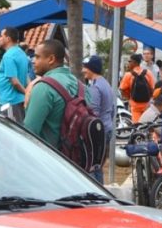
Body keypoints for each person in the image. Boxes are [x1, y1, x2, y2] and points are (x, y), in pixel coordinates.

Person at [25, 39, 90, 149]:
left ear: (51, 59)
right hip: (76, 160)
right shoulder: (82, 87)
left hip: (49, 158)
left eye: (37, 57)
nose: (33, 61)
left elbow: (29, 131)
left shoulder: (43, 87)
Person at [83, 54, 114, 182]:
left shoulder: (95, 87)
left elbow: (93, 114)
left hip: (98, 131)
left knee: (94, 166)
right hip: (107, 128)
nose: (83, 70)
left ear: (91, 68)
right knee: (99, 164)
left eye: (85, 67)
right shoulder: (105, 83)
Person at [0, 27, 29, 121]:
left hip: (9, 100)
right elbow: (26, 76)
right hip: (19, 100)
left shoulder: (8, 56)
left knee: (11, 129)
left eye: (1, 36)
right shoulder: (21, 53)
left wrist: (27, 93)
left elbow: (14, 81)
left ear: (8, 38)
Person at [119, 52, 155, 123]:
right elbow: (152, 88)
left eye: (130, 61)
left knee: (137, 126)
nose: (128, 63)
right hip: (146, 105)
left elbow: (122, 89)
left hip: (135, 105)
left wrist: (129, 98)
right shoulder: (148, 73)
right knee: (146, 126)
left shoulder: (128, 75)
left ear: (134, 62)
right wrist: (148, 97)